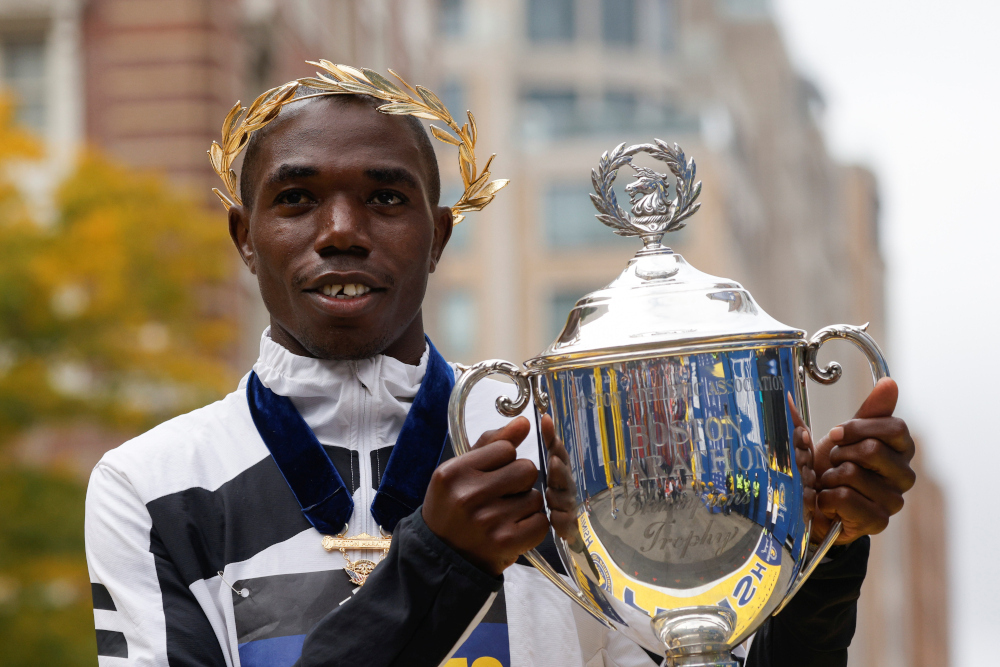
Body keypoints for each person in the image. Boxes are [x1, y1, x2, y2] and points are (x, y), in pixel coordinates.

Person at [85, 66, 917, 667]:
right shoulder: (152, 486)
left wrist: (820, 559)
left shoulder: (560, 451)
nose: (340, 230)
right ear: (244, 236)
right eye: (296, 199)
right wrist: (439, 565)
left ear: (440, 235)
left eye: (386, 198)